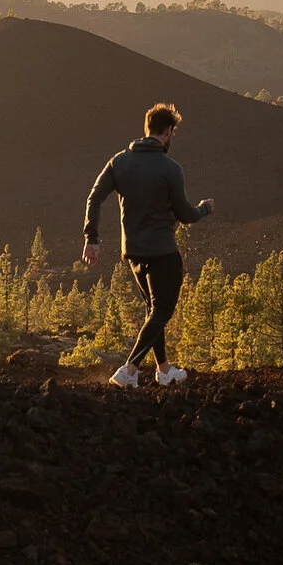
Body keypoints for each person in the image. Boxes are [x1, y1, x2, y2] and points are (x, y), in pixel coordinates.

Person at [83, 101, 214, 388]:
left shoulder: (119, 162)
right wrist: (205, 208)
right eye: (172, 133)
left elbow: (94, 198)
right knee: (162, 311)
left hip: (133, 253)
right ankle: (129, 370)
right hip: (163, 253)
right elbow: (186, 215)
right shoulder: (170, 168)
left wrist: (91, 238)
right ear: (167, 131)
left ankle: (164, 370)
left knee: (153, 311)